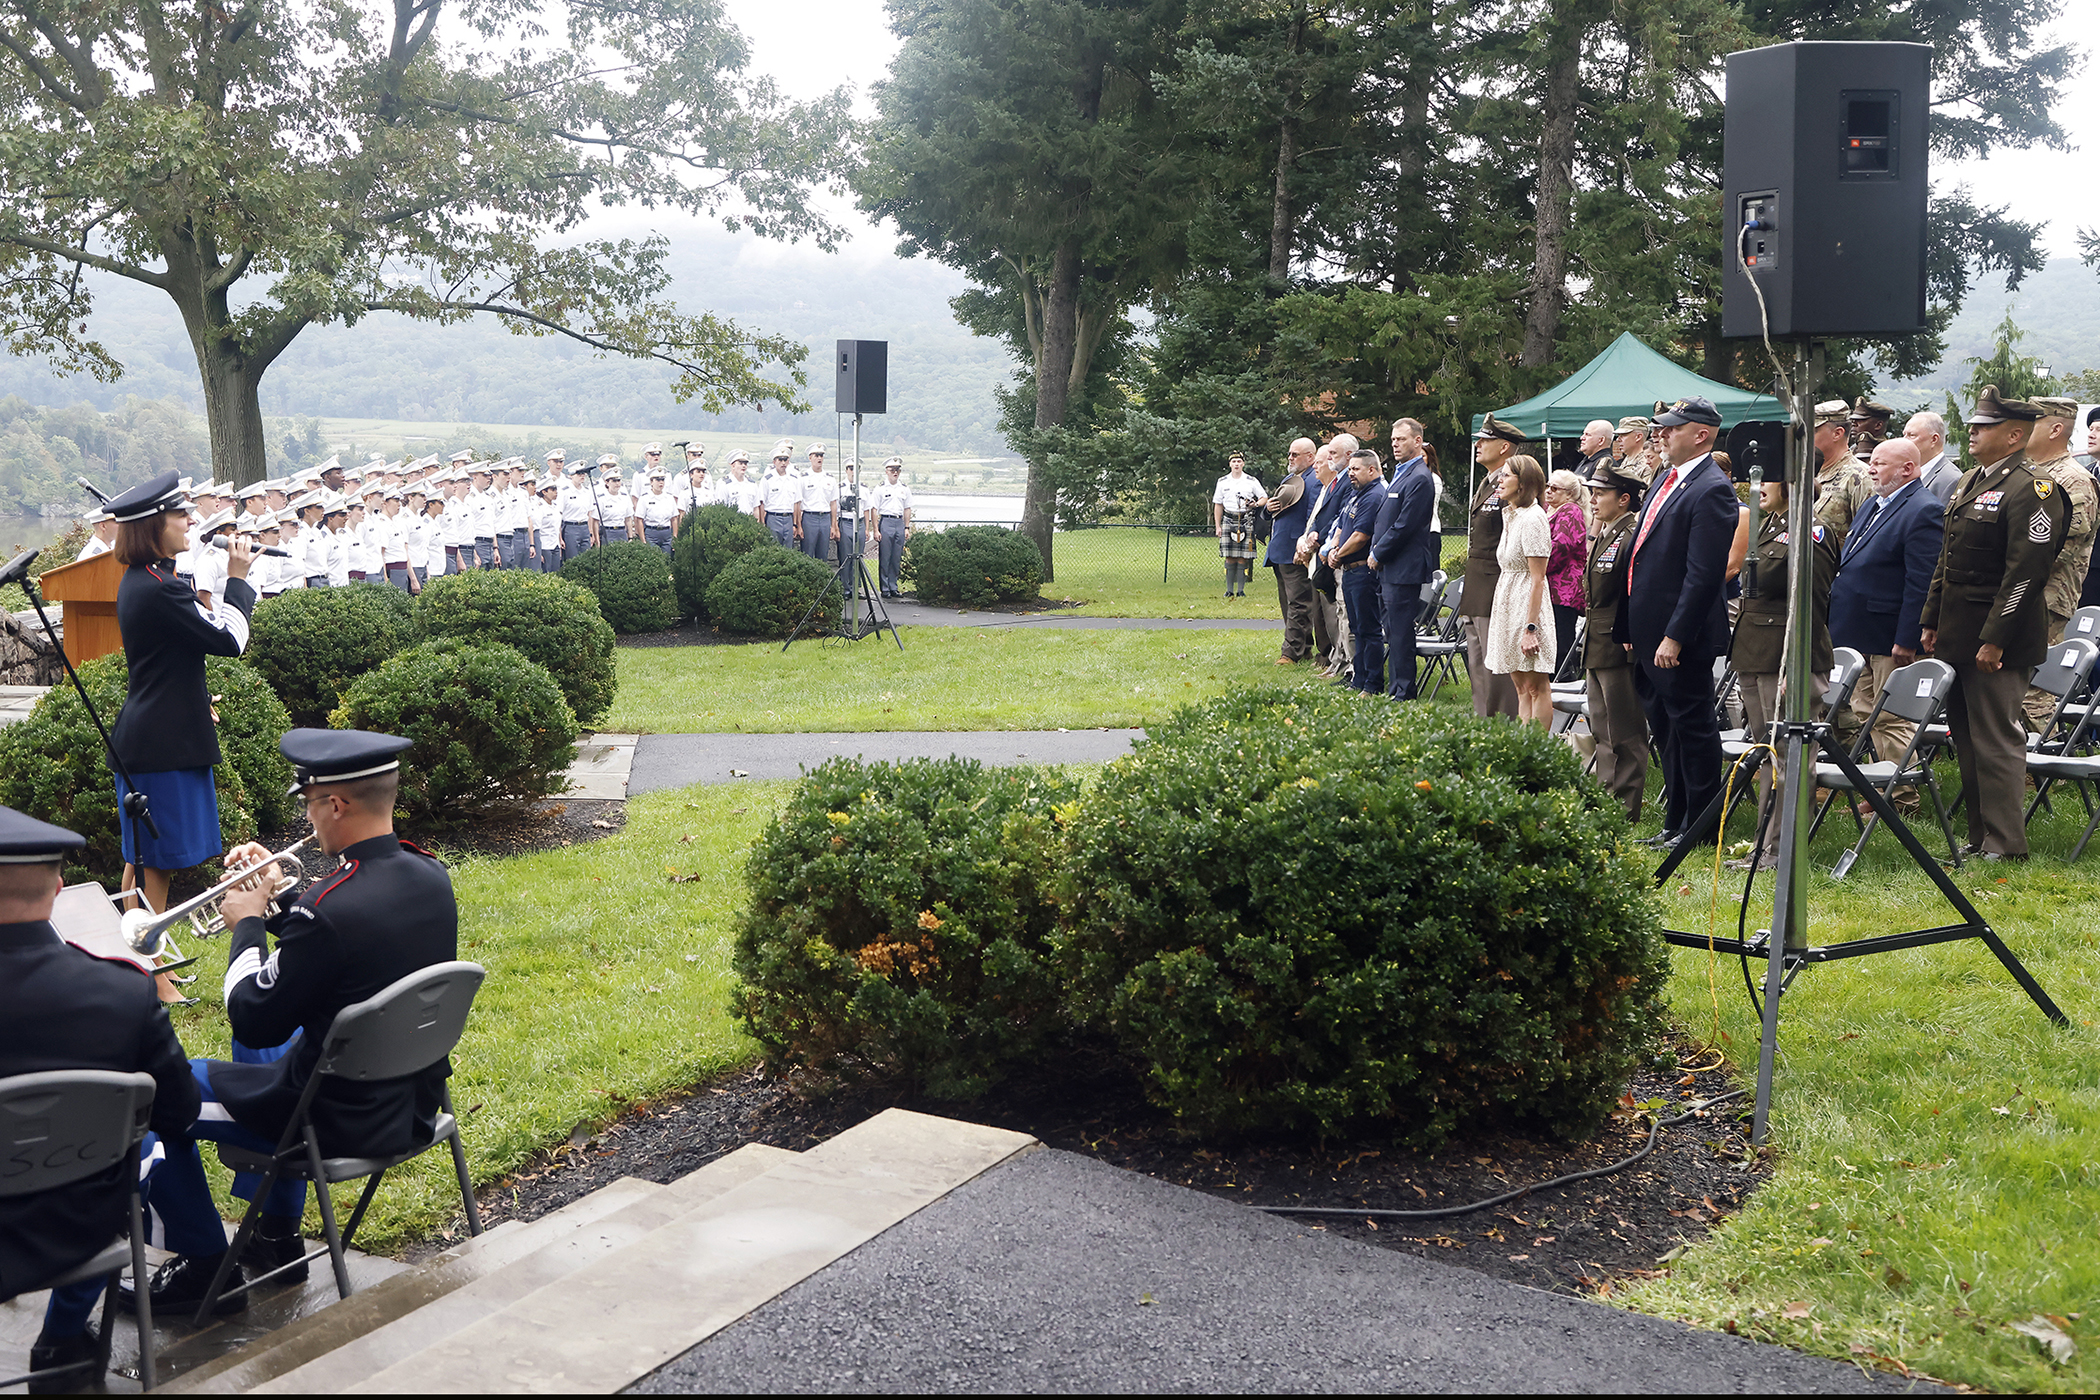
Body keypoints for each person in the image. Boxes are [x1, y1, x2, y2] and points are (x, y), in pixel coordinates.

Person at [125, 729, 461, 1314]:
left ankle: (206, 1269)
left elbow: (253, 1015)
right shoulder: (429, 874)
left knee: (148, 1095)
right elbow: (342, 944)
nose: (307, 816)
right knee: (262, 1052)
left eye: (308, 803)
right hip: (409, 1104)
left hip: (328, 1121)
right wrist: (279, 899)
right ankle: (276, 1238)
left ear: (335, 805)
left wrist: (249, 924)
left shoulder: (327, 910)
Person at [0, 807, 208, 1390]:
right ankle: (64, 1340)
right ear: (58, 888)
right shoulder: (124, 990)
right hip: (84, 1227)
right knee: (138, 1165)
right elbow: (181, 1113)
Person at [104, 470, 258, 1005]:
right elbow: (228, 641)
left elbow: (168, 663)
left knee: (142, 856)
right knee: (156, 863)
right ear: (153, 525)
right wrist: (238, 578)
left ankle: (143, 961)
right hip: (158, 744)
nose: (192, 521)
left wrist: (195, 702)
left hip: (158, 733)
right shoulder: (159, 587)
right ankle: (155, 978)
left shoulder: (149, 579)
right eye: (180, 515)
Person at [1920, 387, 2063, 862]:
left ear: (2014, 435)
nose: (1973, 432)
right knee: (1966, 738)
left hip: (1999, 636)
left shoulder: (2033, 487)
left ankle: (2007, 844)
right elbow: (1948, 558)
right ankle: (1981, 838)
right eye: (1974, 424)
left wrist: (1995, 639)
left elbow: (2026, 572)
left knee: (1996, 739)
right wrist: (1931, 619)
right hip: (1959, 631)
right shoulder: (1971, 481)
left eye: (1984, 427)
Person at [1618, 396, 1738, 846]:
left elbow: (1704, 575)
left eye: (1672, 428)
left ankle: (1702, 828)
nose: (1662, 434)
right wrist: (1631, 630)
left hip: (1678, 636)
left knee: (1693, 727)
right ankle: (1676, 821)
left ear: (1701, 434)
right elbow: (1642, 558)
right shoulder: (1668, 480)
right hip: (1648, 631)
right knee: (1665, 730)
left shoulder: (1711, 488)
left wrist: (1674, 635)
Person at [1729, 473, 1837, 869]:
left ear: (1791, 486)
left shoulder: (1811, 531)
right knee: (1767, 753)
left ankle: (1783, 848)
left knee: (1791, 757)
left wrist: (1799, 662)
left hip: (1787, 657)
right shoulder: (1772, 525)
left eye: (1767, 482)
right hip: (1756, 653)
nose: (1758, 490)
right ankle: (1764, 844)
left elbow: (1812, 602)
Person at [1829, 438, 1945, 772]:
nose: (1871, 468)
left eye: (1879, 463)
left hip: (1887, 633)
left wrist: (1908, 637)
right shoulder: (1873, 504)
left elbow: (1921, 580)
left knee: (1890, 716)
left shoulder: (1923, 509)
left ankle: (1901, 794)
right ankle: (1878, 783)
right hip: (1858, 629)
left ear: (1908, 468)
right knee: (1867, 712)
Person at [2021, 397, 2100, 730]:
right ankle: (2016, 770)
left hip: (2045, 597)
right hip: (2017, 594)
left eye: (2033, 422)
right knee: (2012, 687)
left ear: (2055, 429)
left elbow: (2061, 549)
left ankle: (2045, 767)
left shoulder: (2073, 479)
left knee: (2033, 690)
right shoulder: (2029, 471)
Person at [1583, 466, 1649, 821]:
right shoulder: (1609, 534)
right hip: (1598, 642)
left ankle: (1624, 808)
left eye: (1600, 494)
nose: (1592, 500)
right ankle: (1606, 801)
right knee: (1601, 728)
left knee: (1625, 732)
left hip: (1618, 644)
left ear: (1624, 499)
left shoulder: (1629, 536)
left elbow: (1634, 594)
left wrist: (1630, 639)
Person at [1462, 415, 1526, 718]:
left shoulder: (1511, 483)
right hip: (1477, 582)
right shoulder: (1489, 482)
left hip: (1495, 582)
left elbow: (1513, 539)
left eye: (1485, 440)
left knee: (1495, 659)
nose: (1478, 445)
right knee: (1476, 659)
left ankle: (1501, 723)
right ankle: (1481, 720)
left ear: (1504, 447)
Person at [1484, 455, 1556, 726]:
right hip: (1507, 602)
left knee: (1536, 686)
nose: (1499, 481)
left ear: (1523, 482)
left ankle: (1539, 752)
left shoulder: (1534, 519)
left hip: (1527, 604)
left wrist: (1530, 628)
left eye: (1506, 476)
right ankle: (1525, 748)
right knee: (1521, 688)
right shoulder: (1511, 515)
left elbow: (1538, 578)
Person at [1368, 421, 1437, 699]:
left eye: (1401, 439)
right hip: (1390, 566)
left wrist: (1377, 552)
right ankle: (1395, 687)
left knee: (1399, 632)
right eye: (1393, 439)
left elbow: (1405, 525)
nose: (1395, 444)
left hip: (1403, 566)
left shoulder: (1420, 477)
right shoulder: (1401, 474)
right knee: (1391, 630)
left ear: (1418, 441)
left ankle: (1404, 690)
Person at [1323, 448, 1386, 694]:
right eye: (1349, 469)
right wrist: (1334, 548)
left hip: (1363, 571)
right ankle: (1359, 679)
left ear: (1372, 470)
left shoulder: (1374, 495)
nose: (1351, 474)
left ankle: (1372, 684)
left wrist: (1338, 554)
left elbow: (1361, 536)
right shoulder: (1357, 495)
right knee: (1356, 629)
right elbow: (1343, 526)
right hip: (1350, 570)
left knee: (1369, 630)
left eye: (1356, 469)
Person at [1262, 440, 1316, 664]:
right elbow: (1276, 513)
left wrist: (1305, 546)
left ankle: (1290, 653)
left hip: (1296, 551)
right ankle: (1303, 650)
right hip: (1280, 551)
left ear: (1310, 456)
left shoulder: (1314, 481)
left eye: (1296, 454)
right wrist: (1267, 509)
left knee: (1298, 603)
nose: (1290, 458)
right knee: (1288, 603)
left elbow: (1313, 516)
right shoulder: (1290, 479)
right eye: (1290, 454)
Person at [1299, 445, 1349, 677]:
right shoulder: (1330, 486)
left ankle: (1343, 662)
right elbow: (1318, 518)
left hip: (1336, 556)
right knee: (1330, 615)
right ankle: (1335, 659)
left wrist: (1323, 541)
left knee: (1338, 615)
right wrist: (1310, 536)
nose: (1324, 463)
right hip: (1321, 554)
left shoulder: (1347, 483)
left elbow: (1341, 519)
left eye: (1332, 456)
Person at [1542, 469, 1589, 673]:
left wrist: (1534, 567)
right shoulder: (1546, 508)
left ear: (1569, 494)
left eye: (1554, 488)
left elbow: (1561, 548)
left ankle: (1564, 681)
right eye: (1547, 486)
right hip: (1546, 587)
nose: (1548, 491)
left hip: (1562, 591)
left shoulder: (1571, 511)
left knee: (1561, 644)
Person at [1809, 400, 1873, 539]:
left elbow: (1867, 539)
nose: (1804, 438)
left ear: (1837, 434)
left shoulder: (1860, 478)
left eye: (1811, 432)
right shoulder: (1806, 474)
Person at [1212, 452, 1267, 598]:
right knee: (1229, 557)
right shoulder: (1222, 482)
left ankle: (1241, 590)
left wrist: (1255, 504)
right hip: (1228, 519)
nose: (1236, 464)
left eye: (1239, 461)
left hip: (1246, 519)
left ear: (1243, 464)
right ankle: (1229, 590)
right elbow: (1218, 505)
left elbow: (1264, 498)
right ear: (1230, 464)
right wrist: (1217, 526)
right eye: (1234, 461)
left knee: (1243, 557)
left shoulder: (1251, 481)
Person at [872, 457, 913, 597]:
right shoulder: (880, 488)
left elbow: (907, 508)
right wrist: (876, 529)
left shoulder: (904, 488)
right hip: (886, 522)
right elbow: (874, 509)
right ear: (886, 471)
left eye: (897, 470)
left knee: (896, 557)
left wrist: (906, 527)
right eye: (892, 470)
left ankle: (893, 586)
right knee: (885, 556)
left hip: (899, 522)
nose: (895, 473)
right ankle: (884, 588)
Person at [1903, 409, 1962, 504]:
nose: (1904, 441)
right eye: (1904, 435)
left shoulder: (1951, 480)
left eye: (1912, 435)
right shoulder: (1906, 473)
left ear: (1934, 439)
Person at [800, 447, 839, 567]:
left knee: (823, 554)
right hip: (809, 517)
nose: (819, 458)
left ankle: (822, 584)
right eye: (816, 455)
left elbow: (833, 503)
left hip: (825, 518)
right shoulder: (803, 478)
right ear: (810, 457)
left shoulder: (830, 478)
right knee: (808, 553)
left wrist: (834, 525)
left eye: (821, 455)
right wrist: (798, 524)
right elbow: (798, 503)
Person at [759, 447, 800, 547]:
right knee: (773, 549)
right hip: (773, 518)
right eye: (780, 460)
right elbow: (761, 503)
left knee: (788, 550)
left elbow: (796, 503)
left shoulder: (794, 479)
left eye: (785, 460)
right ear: (774, 461)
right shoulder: (767, 480)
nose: (783, 463)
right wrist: (762, 524)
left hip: (788, 519)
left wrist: (795, 524)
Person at [638, 469, 681, 558]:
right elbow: (639, 520)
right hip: (651, 532)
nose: (660, 482)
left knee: (667, 559)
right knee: (653, 559)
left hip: (666, 533)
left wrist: (675, 537)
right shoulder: (644, 498)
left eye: (662, 480)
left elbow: (674, 519)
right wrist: (643, 540)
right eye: (657, 480)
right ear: (651, 482)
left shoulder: (669, 497)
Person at [1611, 415, 1655, 484]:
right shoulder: (1627, 460)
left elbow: (1643, 493)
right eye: (1619, 435)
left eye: (1623, 435)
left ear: (1638, 437)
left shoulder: (1647, 463)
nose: (1618, 439)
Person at [533, 481, 564, 571]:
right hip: (545, 545)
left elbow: (557, 525)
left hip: (555, 544)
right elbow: (537, 528)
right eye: (553, 490)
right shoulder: (539, 507)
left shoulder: (555, 506)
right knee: (546, 571)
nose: (556, 492)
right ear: (544, 492)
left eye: (556, 490)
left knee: (556, 571)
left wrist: (560, 539)